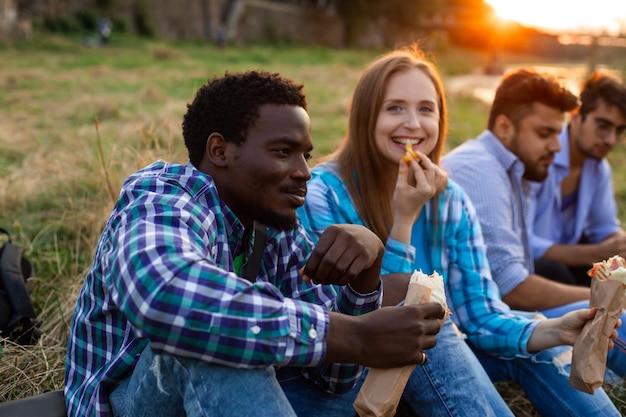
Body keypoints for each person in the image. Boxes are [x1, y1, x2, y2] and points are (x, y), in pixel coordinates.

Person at [64, 70, 446, 417]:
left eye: (305, 155)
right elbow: (165, 297)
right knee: (210, 344)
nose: (304, 172)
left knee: (415, 310)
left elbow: (333, 380)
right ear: (219, 151)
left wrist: (367, 275)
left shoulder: (274, 226)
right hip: (136, 403)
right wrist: (353, 333)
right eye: (283, 152)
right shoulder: (163, 199)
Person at [297, 47, 621, 417]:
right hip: (353, 372)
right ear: (365, 116)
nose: (413, 125)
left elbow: (481, 313)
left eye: (426, 109)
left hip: (449, 357)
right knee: (420, 312)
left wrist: (555, 329)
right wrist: (404, 220)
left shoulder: (451, 199)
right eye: (395, 108)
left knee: (539, 337)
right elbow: (360, 322)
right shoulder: (322, 193)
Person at [442, 68, 626, 378]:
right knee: (609, 312)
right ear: (504, 127)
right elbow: (512, 286)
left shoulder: (518, 167)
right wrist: (604, 298)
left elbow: (603, 228)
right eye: (545, 134)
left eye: (557, 132)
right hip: (478, 327)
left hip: (501, 312)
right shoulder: (483, 171)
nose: (557, 146)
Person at [530, 71, 626, 287]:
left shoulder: (599, 168)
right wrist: (595, 252)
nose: (611, 139)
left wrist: (620, 244)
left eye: (619, 130)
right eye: (603, 126)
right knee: (555, 269)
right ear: (575, 114)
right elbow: (523, 243)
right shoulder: (538, 156)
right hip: (530, 268)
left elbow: (604, 228)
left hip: (567, 264)